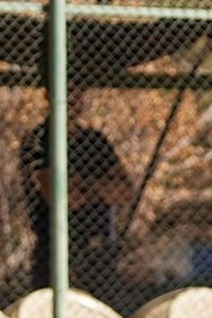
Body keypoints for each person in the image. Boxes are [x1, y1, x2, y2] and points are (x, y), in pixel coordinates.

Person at [19, 83, 134, 299]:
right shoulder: (39, 139)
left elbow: (125, 191)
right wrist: (101, 186)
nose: (73, 98)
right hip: (54, 245)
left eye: (78, 91)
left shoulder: (95, 141)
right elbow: (61, 197)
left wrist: (82, 184)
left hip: (98, 248)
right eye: (66, 91)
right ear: (48, 95)